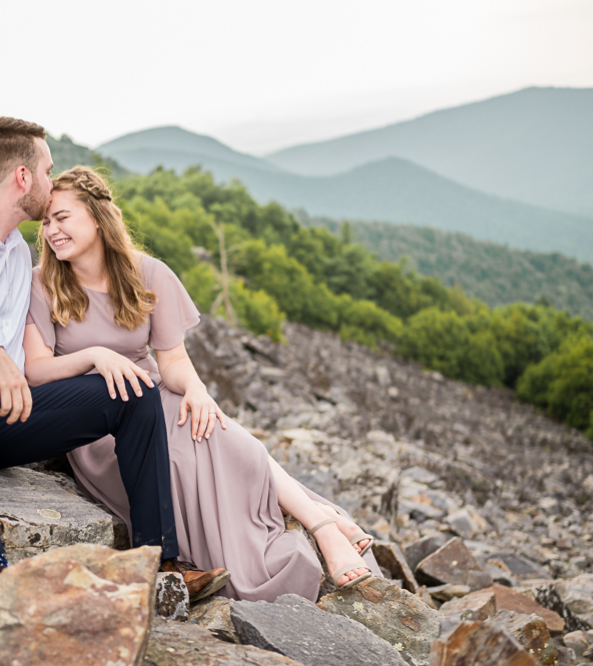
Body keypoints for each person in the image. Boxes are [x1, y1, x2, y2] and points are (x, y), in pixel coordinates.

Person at [0, 118, 227, 596]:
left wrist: (91, 359)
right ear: (23, 177)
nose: (50, 181)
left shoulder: (20, 255)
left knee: (132, 389)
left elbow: (36, 362)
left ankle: (161, 563)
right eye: (46, 170)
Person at [23, 166, 382, 601]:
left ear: (98, 217)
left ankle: (322, 524)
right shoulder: (42, 282)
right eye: (46, 222)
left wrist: (196, 390)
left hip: (153, 396)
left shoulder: (149, 274)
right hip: (97, 423)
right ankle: (275, 543)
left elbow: (172, 360)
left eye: (62, 217)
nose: (52, 231)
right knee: (180, 465)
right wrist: (95, 357)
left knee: (229, 438)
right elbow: (36, 370)